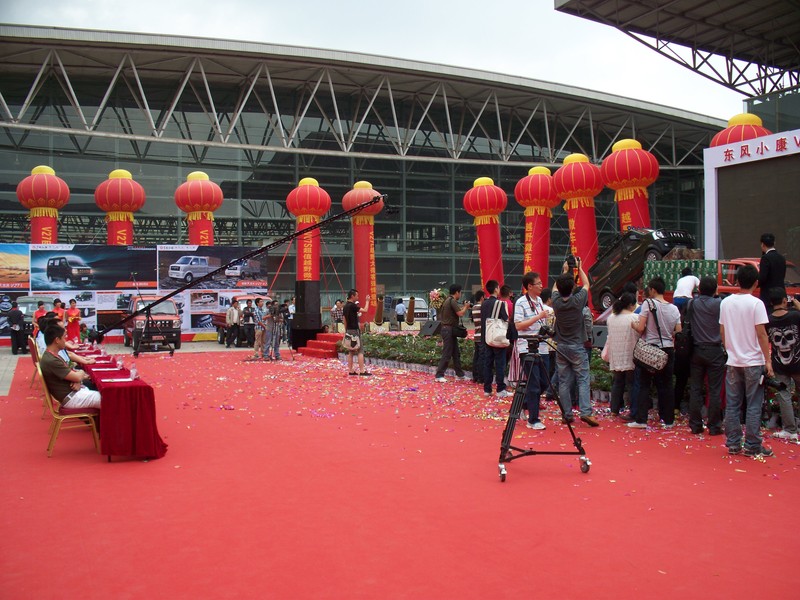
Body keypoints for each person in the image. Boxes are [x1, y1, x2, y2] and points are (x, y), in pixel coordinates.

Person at [720, 263, 773, 457]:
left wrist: (730, 349)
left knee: (733, 404)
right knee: (753, 404)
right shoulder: (756, 304)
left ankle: (733, 443)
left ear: (737, 281)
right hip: (753, 361)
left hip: (733, 360)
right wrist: (768, 360)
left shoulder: (725, 303)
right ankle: (752, 445)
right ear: (756, 283)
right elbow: (762, 334)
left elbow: (722, 331)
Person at [628, 277, 681, 429]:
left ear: (652, 290)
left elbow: (640, 328)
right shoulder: (674, 309)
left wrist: (633, 325)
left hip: (650, 350)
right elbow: (678, 331)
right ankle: (668, 420)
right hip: (668, 350)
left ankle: (641, 419)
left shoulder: (648, 304)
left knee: (644, 384)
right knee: (666, 385)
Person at [551, 258, 599, 426]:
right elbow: (586, 284)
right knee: (583, 379)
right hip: (577, 346)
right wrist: (580, 267)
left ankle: (567, 414)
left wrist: (565, 271)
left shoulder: (556, 301)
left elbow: (555, 288)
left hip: (561, 346)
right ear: (572, 287)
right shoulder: (578, 301)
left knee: (564, 381)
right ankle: (585, 412)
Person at [687, 276, 726, 435]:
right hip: (715, 350)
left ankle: (695, 424)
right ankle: (714, 425)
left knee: (695, 388)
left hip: (696, 349)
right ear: (715, 290)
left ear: (699, 289)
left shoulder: (692, 303)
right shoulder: (719, 304)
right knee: (714, 390)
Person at [514, 272, 550, 429]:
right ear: (529, 286)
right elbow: (518, 325)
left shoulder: (540, 300)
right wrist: (538, 317)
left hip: (542, 346)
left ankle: (524, 403)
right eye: (538, 283)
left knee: (545, 382)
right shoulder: (520, 302)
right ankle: (533, 420)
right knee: (534, 384)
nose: (541, 286)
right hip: (527, 346)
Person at [39, 323, 101, 409]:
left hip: (73, 393)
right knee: (108, 398)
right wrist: (81, 373)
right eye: (64, 338)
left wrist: (78, 380)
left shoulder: (52, 356)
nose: (65, 341)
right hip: (72, 397)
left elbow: (74, 376)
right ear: (57, 340)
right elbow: (77, 377)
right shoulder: (52, 360)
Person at [766, 289, 800, 442]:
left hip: (779, 364)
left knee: (784, 394)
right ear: (785, 301)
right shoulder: (795, 316)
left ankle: (790, 429)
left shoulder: (768, 320)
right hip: (798, 362)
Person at [605, 293, 638, 418]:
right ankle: (633, 410)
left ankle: (614, 409)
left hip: (616, 354)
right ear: (631, 305)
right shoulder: (634, 318)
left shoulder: (611, 318)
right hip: (631, 353)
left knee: (617, 382)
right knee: (632, 384)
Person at [434, 284, 471, 383]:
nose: (461, 294)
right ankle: (439, 375)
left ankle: (460, 374)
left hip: (449, 330)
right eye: (460, 292)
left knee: (455, 353)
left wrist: (464, 306)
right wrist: (466, 307)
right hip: (448, 330)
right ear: (457, 292)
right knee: (447, 353)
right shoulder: (452, 301)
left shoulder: (448, 300)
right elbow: (461, 313)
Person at [481, 279, 510, 398]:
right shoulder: (500, 303)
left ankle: (487, 389)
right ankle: (500, 389)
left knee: (487, 363)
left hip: (487, 337)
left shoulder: (484, 303)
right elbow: (506, 319)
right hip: (498, 337)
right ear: (496, 289)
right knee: (500, 364)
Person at [343, 289, 371, 376]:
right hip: (354, 330)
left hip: (348, 330)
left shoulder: (345, 306)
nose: (358, 297)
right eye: (357, 296)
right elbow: (365, 310)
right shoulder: (353, 306)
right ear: (352, 296)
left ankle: (351, 370)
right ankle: (362, 370)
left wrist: (346, 330)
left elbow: (344, 320)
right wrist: (367, 301)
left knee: (351, 351)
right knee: (360, 350)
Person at [758, 233, 786, 314]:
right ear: (774, 243)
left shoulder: (765, 258)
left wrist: (755, 284)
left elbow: (762, 277)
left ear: (762, 244)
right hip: (781, 294)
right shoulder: (781, 258)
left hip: (768, 297)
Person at [471, 290, 485, 384]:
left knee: (476, 356)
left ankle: (475, 376)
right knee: (481, 357)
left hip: (476, 334)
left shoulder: (474, 307)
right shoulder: (481, 307)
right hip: (481, 335)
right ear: (482, 297)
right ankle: (480, 377)